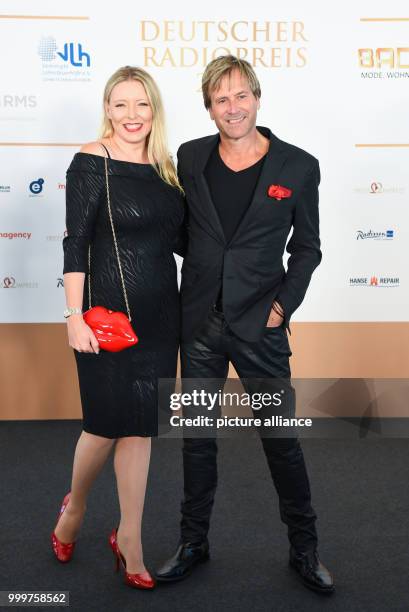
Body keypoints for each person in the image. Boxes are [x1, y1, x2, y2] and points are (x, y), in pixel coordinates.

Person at [155, 55, 334, 594]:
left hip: (262, 326)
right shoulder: (189, 158)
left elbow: (307, 249)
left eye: (240, 96)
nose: (232, 107)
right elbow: (182, 231)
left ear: (257, 98)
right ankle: (193, 542)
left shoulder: (298, 166)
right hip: (201, 324)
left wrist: (281, 308)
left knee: (281, 440)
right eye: (220, 99)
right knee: (196, 439)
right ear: (208, 107)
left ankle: (305, 551)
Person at [51, 66, 185, 591]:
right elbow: (75, 242)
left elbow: (185, 244)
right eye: (121, 104)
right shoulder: (92, 160)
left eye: (142, 104)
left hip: (160, 317)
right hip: (103, 317)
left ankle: (130, 536)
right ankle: (76, 507)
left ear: (155, 110)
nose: (132, 115)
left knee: (141, 426)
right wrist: (73, 316)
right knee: (104, 424)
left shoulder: (166, 168)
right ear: (107, 108)